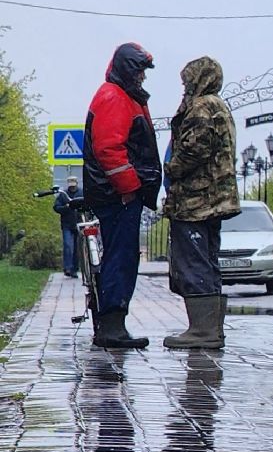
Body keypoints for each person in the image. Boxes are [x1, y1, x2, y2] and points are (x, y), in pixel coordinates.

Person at [83, 42, 162, 348]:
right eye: (140, 70)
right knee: (121, 257)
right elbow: (109, 150)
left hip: (116, 195)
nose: (143, 77)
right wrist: (129, 189)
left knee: (121, 256)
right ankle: (112, 326)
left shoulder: (120, 95)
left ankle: (111, 323)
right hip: (117, 197)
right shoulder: (116, 98)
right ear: (129, 69)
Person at [161, 57, 240, 350]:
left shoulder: (202, 106)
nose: (185, 86)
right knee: (207, 261)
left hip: (197, 200)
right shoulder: (219, 105)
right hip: (214, 200)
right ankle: (211, 329)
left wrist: (171, 168)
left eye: (187, 81)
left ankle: (202, 330)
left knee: (193, 262)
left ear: (198, 79)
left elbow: (195, 148)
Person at [53, 177, 82, 277]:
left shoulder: (81, 193)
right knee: (68, 245)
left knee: (77, 248)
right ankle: (68, 268)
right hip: (67, 224)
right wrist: (66, 207)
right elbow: (56, 207)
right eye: (71, 186)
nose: (72, 188)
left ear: (77, 184)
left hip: (79, 224)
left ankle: (74, 269)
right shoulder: (63, 194)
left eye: (74, 186)